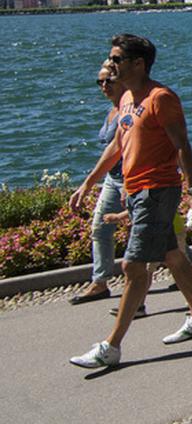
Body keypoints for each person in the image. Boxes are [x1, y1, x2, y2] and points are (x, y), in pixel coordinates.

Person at [67, 34, 192, 368]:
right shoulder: (126, 100)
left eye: (117, 59)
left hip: (157, 190)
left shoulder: (160, 98)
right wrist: (89, 182)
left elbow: (182, 145)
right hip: (135, 191)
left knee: (133, 267)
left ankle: (111, 346)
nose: (111, 65)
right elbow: (119, 146)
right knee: (173, 257)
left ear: (138, 63)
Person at [67, 63, 126, 306]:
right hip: (113, 179)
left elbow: (116, 149)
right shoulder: (112, 110)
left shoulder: (128, 111)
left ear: (122, 80)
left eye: (108, 81)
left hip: (130, 180)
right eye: (99, 82)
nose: (103, 86)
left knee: (162, 233)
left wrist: (88, 184)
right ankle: (100, 282)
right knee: (100, 228)